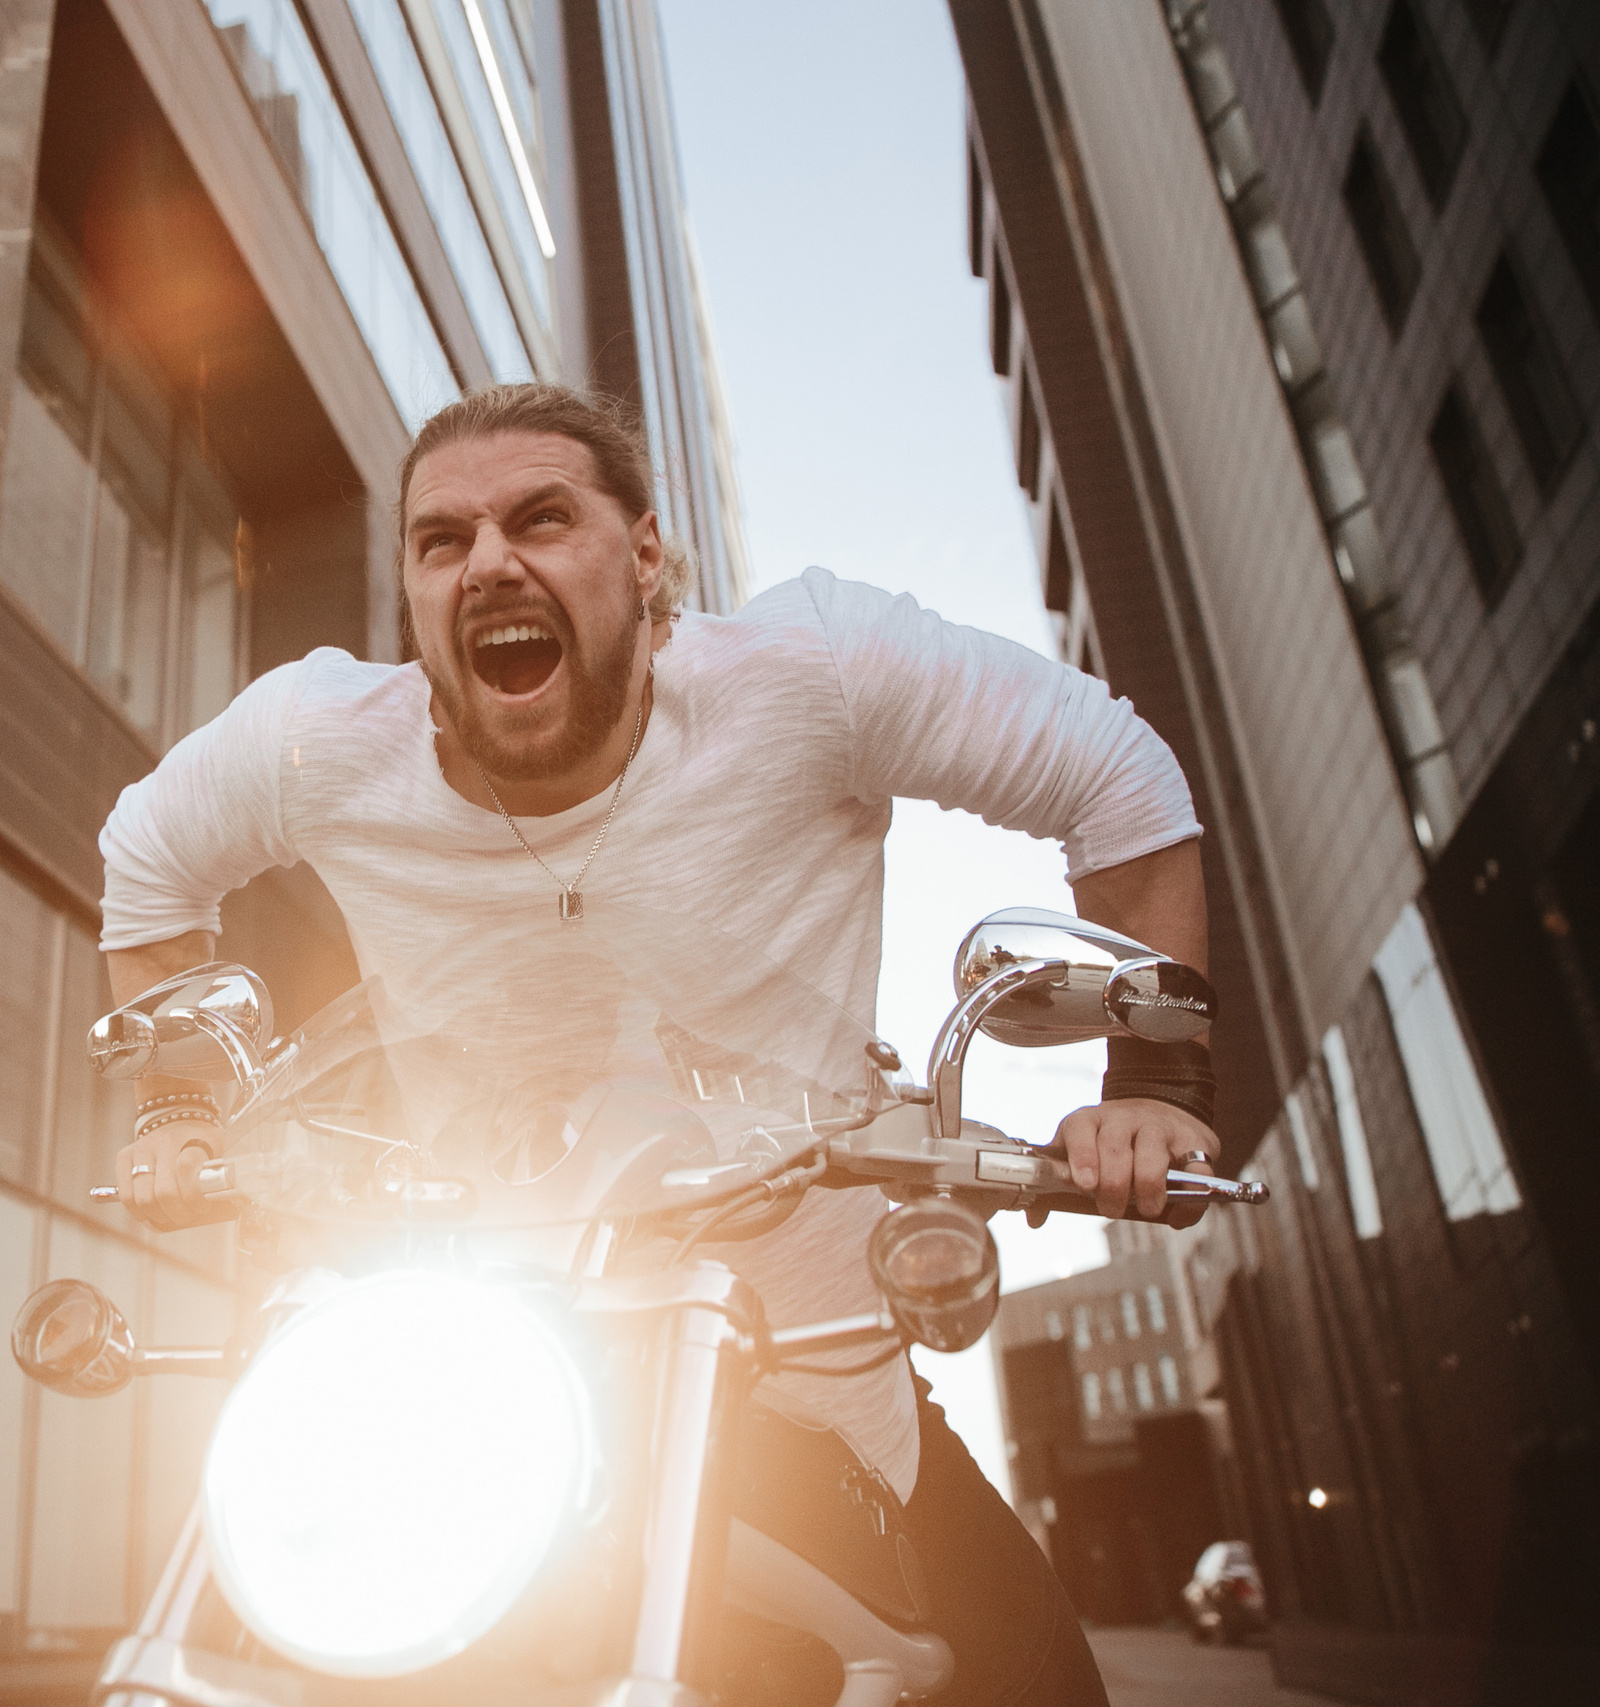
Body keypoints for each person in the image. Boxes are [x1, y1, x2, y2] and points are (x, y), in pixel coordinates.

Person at [95, 384, 1218, 1705]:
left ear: (644, 561)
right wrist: (178, 1109)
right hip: (482, 1379)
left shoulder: (813, 673)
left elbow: (1119, 775)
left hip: (809, 1365)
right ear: (410, 589)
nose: (491, 561)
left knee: (1025, 1678)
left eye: (542, 519)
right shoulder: (317, 743)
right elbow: (149, 858)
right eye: (442, 541)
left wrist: (1152, 1081)